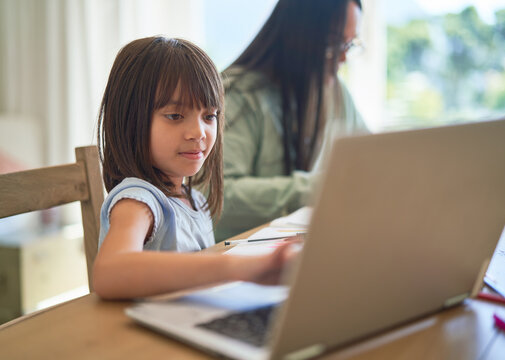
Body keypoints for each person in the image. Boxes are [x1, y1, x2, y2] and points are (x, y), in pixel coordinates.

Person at [93, 36, 295, 299]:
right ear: (131, 121)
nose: (198, 132)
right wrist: (236, 267)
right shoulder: (139, 201)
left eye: (209, 116)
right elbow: (109, 273)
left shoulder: (194, 199)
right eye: (175, 116)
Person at [216, 0, 370, 241]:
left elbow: (372, 160)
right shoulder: (239, 94)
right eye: (333, 43)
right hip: (237, 257)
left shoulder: (336, 91)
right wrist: (318, 188)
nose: (343, 58)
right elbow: (218, 195)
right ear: (299, 37)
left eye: (349, 44)